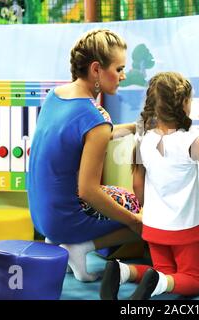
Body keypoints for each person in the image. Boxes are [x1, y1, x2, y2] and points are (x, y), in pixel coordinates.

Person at [100, 72, 199, 300]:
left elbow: (137, 184)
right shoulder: (191, 141)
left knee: (164, 272)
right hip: (185, 227)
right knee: (191, 281)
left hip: (154, 226)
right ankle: (157, 284)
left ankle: (123, 271)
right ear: (183, 104)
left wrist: (146, 210)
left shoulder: (144, 139)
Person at [27, 29, 142, 282]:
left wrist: (135, 127)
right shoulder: (96, 119)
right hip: (65, 219)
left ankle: (61, 241)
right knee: (139, 208)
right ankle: (81, 247)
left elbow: (85, 134)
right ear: (96, 70)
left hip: (40, 215)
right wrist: (135, 221)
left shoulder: (56, 96)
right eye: (119, 68)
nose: (123, 76)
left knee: (118, 199)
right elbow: (88, 191)